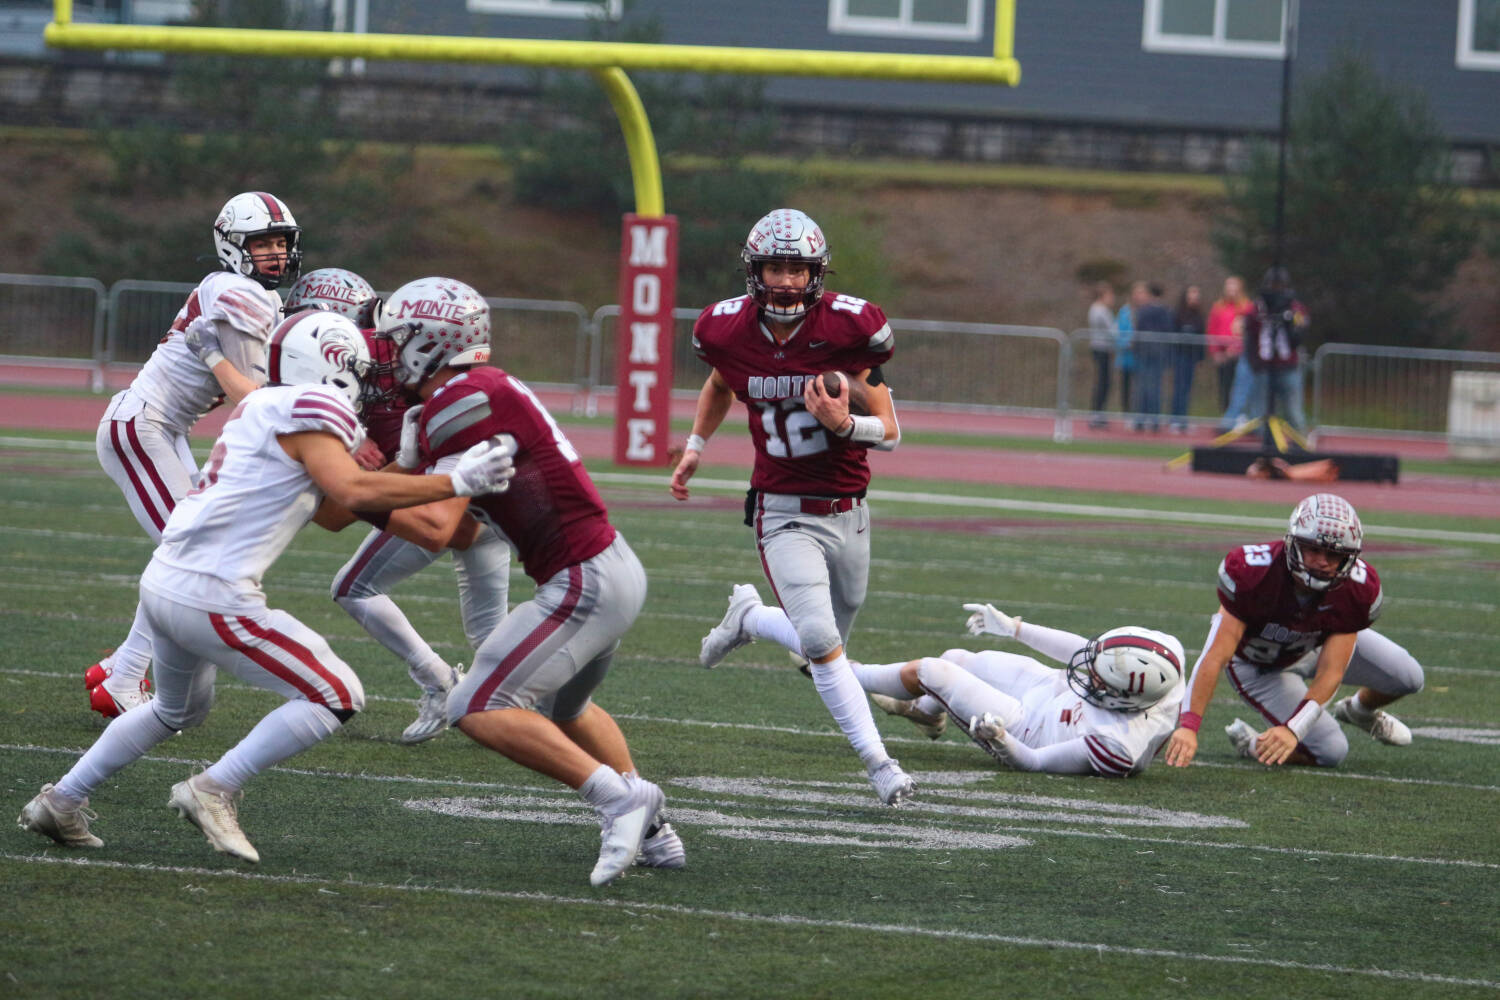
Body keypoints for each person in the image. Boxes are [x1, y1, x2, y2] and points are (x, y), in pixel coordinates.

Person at [19, 310, 518, 861]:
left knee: (174, 710)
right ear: (333, 364)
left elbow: (331, 512)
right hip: (214, 592)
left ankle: (60, 800)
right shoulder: (315, 406)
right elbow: (351, 490)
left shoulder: (262, 404)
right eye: (358, 365)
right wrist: (454, 481)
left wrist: (403, 465)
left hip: (165, 583)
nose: (370, 377)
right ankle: (213, 788)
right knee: (336, 694)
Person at [370, 276, 680, 886]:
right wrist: (405, 469)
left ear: (431, 342)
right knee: (569, 710)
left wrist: (360, 492)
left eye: (396, 339)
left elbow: (436, 528)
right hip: (613, 565)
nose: (386, 351)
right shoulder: (480, 387)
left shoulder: (457, 402)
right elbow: (460, 531)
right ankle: (655, 832)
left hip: (582, 578)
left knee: (477, 706)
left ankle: (620, 801)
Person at [671, 208, 913, 807]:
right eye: (774, 268)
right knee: (822, 642)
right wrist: (696, 446)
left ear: (817, 273)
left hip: (850, 509)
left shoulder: (852, 328)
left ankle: (747, 619)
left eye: (796, 269)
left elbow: (890, 432)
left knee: (819, 646)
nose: (784, 281)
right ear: (755, 271)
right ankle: (880, 765)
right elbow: (722, 382)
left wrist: (844, 422)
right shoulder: (725, 330)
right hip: (782, 510)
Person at [85, 191, 303, 719]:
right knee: (192, 558)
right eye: (262, 243)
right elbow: (251, 398)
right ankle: (125, 675)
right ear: (232, 247)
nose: (274, 253)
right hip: (145, 427)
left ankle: (121, 670)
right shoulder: (239, 294)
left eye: (280, 242)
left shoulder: (247, 291)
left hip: (161, 427)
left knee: (187, 555)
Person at [283, 268, 513, 745]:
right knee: (494, 644)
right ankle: (533, 714)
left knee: (354, 585)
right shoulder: (422, 373)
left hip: (464, 495)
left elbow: (442, 527)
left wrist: (379, 474)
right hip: (486, 497)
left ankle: (440, 682)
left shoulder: (425, 384)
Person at [710, 588, 1186, 778]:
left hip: (1032, 729)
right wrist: (1015, 628)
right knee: (958, 658)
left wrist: (1001, 739)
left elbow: (1037, 763)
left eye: (1099, 679)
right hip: (1050, 693)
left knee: (933, 672)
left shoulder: (1118, 747)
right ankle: (926, 716)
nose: (1090, 669)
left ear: (1122, 701)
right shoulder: (1164, 667)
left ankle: (836, 669)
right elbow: (1086, 652)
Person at [1164, 493, 1422, 769]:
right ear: (1293, 543)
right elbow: (1214, 657)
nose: (1323, 561)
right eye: (1314, 550)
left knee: (1408, 676)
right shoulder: (1254, 573)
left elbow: (1331, 672)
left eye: (1334, 554)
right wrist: (1189, 725)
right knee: (1330, 751)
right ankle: (1251, 743)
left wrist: (1293, 728)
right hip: (1261, 668)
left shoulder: (1356, 590)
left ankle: (1358, 710)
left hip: (1314, 644)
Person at [1243, 266, 1310, 448]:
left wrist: (1289, 324)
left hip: (1288, 366)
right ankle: (1268, 445)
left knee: (1293, 411)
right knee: (1262, 412)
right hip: (1264, 367)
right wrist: (1254, 363)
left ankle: (1299, 446)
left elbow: (1300, 335)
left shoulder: (1295, 308)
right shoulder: (1256, 309)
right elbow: (1249, 337)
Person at [1130, 282, 1174, 433]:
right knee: (1154, 387)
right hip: (1157, 353)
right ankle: (1153, 421)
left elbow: (1139, 329)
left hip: (1146, 352)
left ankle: (1141, 420)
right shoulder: (1166, 311)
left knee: (1143, 387)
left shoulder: (1145, 311)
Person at [1207, 275, 1252, 418]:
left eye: (1234, 286)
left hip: (1241, 354)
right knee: (1224, 386)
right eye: (1228, 286)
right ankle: (1226, 417)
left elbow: (1250, 330)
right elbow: (1212, 329)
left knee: (1241, 386)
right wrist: (1215, 352)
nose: (1231, 289)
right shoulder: (1218, 307)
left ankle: (1241, 416)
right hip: (1223, 354)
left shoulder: (1247, 306)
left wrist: (1238, 349)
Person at [1168, 284, 1206, 434]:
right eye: (1191, 295)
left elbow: (1202, 337)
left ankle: (1183, 420)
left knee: (1187, 389)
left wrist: (1200, 358)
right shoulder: (1178, 315)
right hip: (1179, 357)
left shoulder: (1199, 316)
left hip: (1192, 357)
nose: (1194, 299)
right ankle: (1175, 420)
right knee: (1179, 388)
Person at [1114, 281, 1145, 428]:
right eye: (1137, 293)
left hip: (1143, 358)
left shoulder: (1146, 311)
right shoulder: (1125, 311)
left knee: (1142, 388)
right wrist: (1127, 343)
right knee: (1126, 386)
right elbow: (1118, 331)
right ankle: (1127, 415)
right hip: (1127, 357)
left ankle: (1141, 415)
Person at [1085, 283, 1116, 429]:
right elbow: (1112, 330)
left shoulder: (1098, 309)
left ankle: (1099, 413)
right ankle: (1096, 414)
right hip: (1101, 348)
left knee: (1104, 382)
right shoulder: (1100, 310)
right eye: (1110, 295)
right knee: (1103, 383)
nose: (1112, 298)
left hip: (1103, 348)